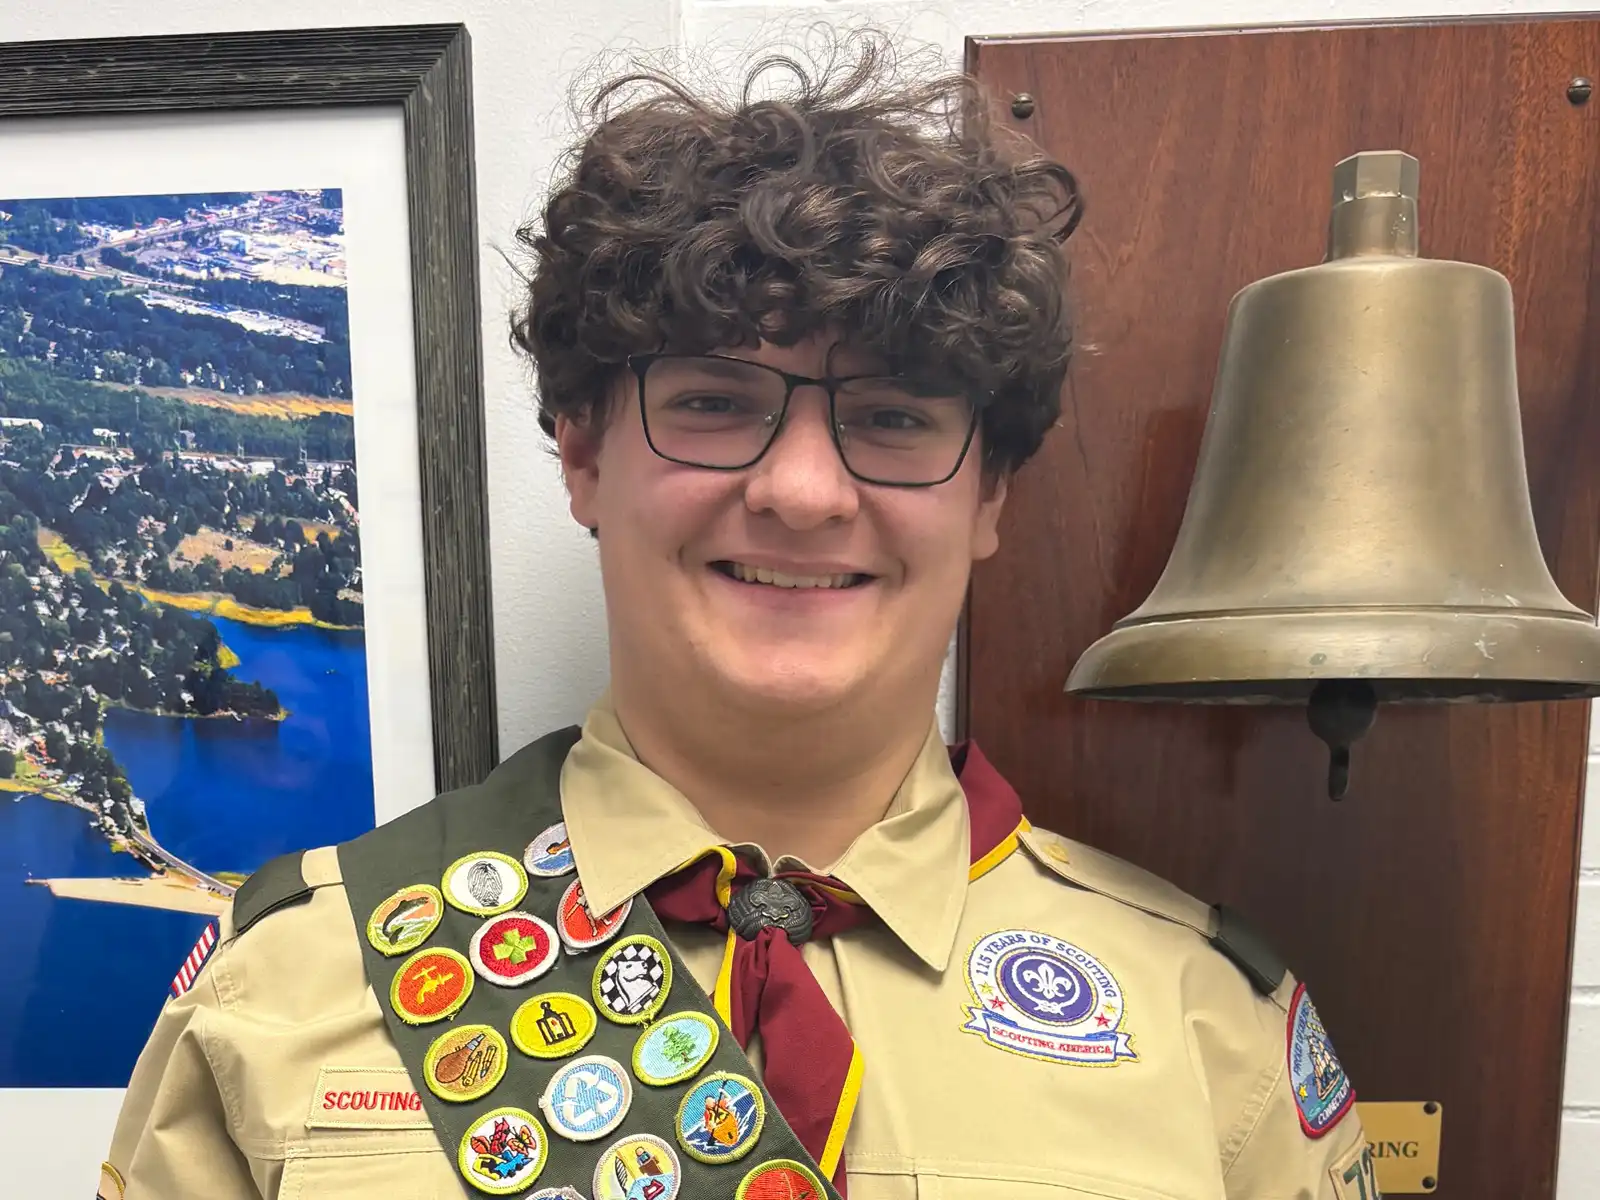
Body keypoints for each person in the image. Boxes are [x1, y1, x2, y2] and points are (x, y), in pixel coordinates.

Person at [99, 34, 1377, 1200]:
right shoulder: (284, 989)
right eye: (715, 400)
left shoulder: (1214, 1034)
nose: (805, 492)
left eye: (892, 416)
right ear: (585, 456)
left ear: (988, 493)